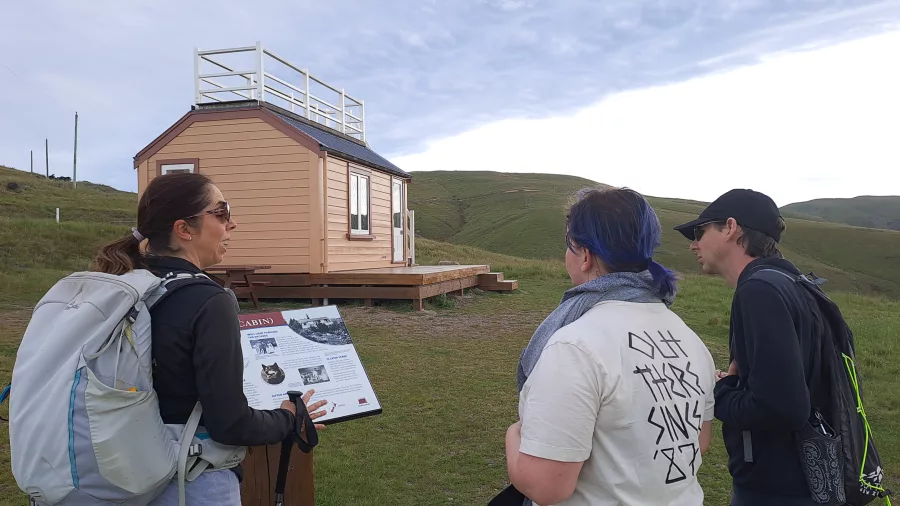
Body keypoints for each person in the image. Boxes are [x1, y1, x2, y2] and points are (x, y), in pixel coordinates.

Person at [90, 172, 327, 505]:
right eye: (222, 212)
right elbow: (230, 424)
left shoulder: (122, 284)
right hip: (190, 481)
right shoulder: (207, 301)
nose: (232, 224)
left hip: (117, 470)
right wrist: (287, 417)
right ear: (184, 229)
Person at [504, 188, 717, 506]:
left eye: (568, 245)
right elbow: (697, 441)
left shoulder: (574, 347)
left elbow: (547, 486)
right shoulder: (689, 339)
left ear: (586, 256)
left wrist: (513, 434)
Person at [673, 189, 826, 506]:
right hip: (810, 477)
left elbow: (783, 408)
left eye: (700, 232)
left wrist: (722, 391)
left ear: (731, 228)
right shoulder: (794, 283)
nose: (693, 244)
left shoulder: (760, 291)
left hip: (778, 488)